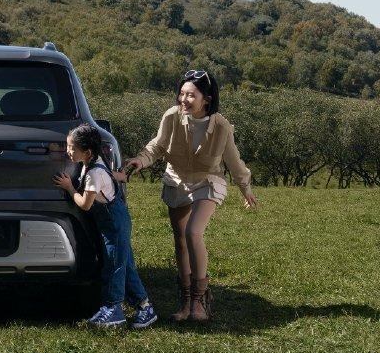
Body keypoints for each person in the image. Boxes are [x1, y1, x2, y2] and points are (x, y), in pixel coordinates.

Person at [121, 70, 257, 322]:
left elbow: (233, 160)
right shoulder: (172, 117)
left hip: (208, 180)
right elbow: (157, 146)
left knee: (193, 232)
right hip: (177, 181)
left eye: (190, 95)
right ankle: (185, 301)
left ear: (206, 98)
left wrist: (245, 187)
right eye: (181, 94)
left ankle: (200, 299)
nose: (183, 99)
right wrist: (140, 161)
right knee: (181, 240)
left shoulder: (222, 126)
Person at [54, 123, 157, 330]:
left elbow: (85, 204)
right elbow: (113, 176)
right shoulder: (94, 162)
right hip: (113, 222)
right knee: (125, 265)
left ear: (88, 152)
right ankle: (145, 308)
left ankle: (113, 309)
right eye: (68, 146)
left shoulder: (94, 174)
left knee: (114, 266)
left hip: (114, 224)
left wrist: (69, 187)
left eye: (72, 148)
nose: (68, 151)